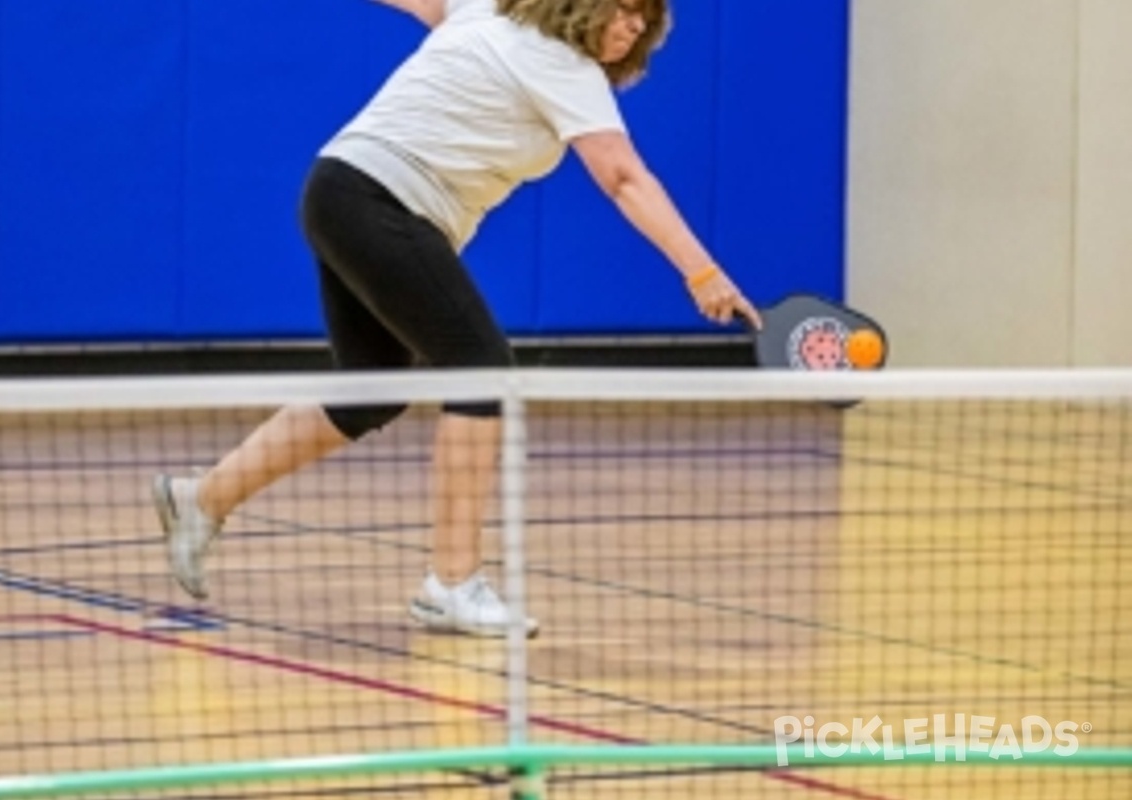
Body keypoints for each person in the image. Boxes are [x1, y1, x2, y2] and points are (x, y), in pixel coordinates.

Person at [152, 0, 761, 638]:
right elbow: (623, 177)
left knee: (372, 389)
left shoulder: (488, 11)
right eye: (625, 10)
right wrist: (702, 271)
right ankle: (452, 583)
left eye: (646, 22)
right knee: (483, 372)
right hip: (379, 199)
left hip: (339, 191)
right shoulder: (560, 62)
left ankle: (202, 500)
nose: (634, 27)